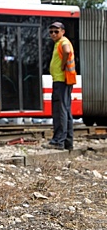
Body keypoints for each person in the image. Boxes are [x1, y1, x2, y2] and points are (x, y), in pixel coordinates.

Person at [43, 21, 76, 151]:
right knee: (66, 111)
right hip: (63, 80)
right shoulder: (60, 42)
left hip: (61, 80)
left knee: (59, 111)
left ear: (63, 31)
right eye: (51, 32)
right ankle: (68, 141)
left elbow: (67, 51)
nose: (53, 34)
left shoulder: (63, 42)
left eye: (56, 31)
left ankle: (58, 141)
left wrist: (62, 65)